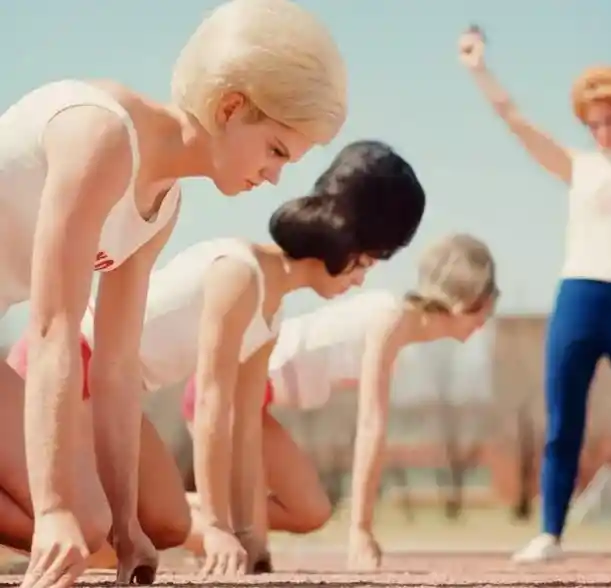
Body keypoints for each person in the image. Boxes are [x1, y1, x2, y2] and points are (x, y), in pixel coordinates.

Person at [0, 1, 346, 585]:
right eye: (276, 150)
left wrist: (125, 527)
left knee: (123, 524)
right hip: (43, 337)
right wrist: (53, 509)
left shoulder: (163, 206)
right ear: (231, 107)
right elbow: (55, 327)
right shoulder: (101, 133)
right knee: (73, 522)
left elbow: (113, 368)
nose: (275, 177)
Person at [8, 140, 426, 578]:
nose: (362, 280)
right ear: (342, 238)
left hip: (114, 395)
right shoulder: (239, 272)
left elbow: (243, 428)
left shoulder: (272, 312)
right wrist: (215, 526)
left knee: (168, 525)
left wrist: (248, 534)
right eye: (367, 262)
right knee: (97, 532)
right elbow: (211, 405)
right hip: (65, 370)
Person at [181, 233, 498, 570]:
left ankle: (192, 508)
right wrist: (360, 530)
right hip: (221, 397)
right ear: (468, 302)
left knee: (310, 512)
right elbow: (370, 428)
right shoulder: (389, 318)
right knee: (251, 555)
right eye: (490, 300)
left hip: (251, 408)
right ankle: (161, 513)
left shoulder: (397, 337)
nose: (488, 316)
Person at [459, 25, 611, 563]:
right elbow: (514, 118)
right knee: (564, 420)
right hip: (580, 300)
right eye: (593, 123)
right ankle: (550, 533)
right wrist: (477, 67)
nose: (603, 132)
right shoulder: (577, 165)